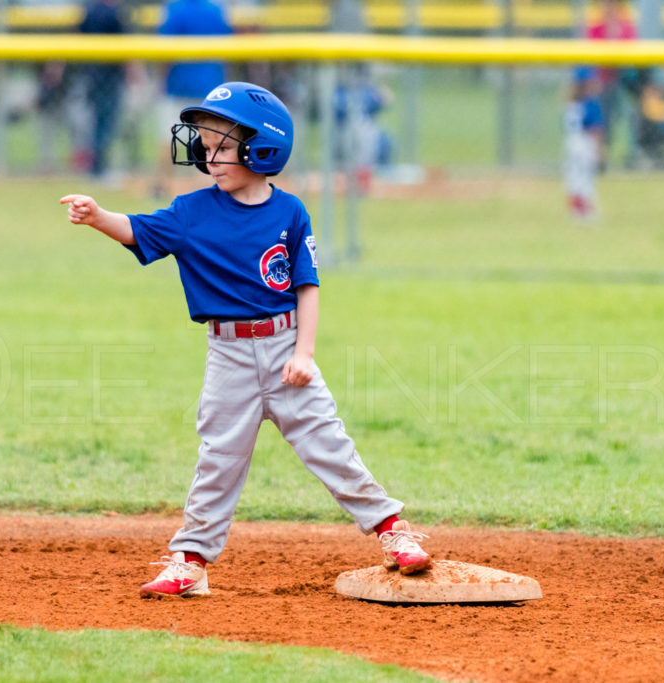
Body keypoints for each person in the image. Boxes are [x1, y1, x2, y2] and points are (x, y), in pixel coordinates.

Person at [60, 82, 430, 599]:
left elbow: (307, 286)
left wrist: (304, 352)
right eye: (205, 146)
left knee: (329, 446)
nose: (209, 157)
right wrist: (98, 216)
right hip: (228, 354)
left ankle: (394, 534)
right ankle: (190, 563)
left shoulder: (291, 213)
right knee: (218, 459)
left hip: (284, 350)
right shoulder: (190, 212)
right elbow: (137, 229)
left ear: (263, 148)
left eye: (223, 147)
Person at [152, 0, 233, 196]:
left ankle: (162, 184)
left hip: (178, 84)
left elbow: (165, 50)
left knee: (169, 136)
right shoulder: (217, 10)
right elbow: (230, 47)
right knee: (211, 139)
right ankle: (208, 186)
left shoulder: (175, 9)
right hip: (211, 84)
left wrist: (160, 78)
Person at [79, 0, 128, 179]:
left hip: (91, 74)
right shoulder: (114, 13)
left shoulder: (89, 10)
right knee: (105, 125)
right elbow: (125, 46)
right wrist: (133, 72)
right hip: (109, 76)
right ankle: (99, 168)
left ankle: (96, 166)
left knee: (97, 123)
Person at [586, 0, 636, 167]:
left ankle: (635, 153)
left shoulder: (626, 27)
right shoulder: (595, 28)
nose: (609, 8)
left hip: (625, 82)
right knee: (602, 116)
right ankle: (600, 157)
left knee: (632, 111)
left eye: (613, 5)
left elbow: (633, 52)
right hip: (603, 82)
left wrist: (616, 32)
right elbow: (592, 58)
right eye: (606, 4)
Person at [564, 66, 604, 221]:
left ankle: (576, 209)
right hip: (585, 144)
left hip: (571, 143)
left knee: (574, 178)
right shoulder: (591, 103)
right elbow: (595, 130)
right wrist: (599, 152)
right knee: (586, 179)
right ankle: (584, 211)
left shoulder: (571, 103)